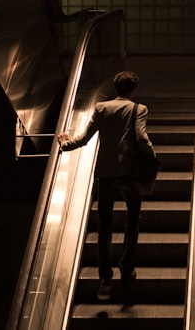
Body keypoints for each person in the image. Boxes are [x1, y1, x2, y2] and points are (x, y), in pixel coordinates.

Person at [58, 69, 157, 301]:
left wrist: (65, 143)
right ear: (133, 89)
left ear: (115, 88)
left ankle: (105, 278)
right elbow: (142, 139)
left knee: (104, 225)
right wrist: (152, 157)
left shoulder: (101, 108)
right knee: (132, 220)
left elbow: (83, 139)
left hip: (105, 175)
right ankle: (126, 267)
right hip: (129, 175)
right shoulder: (138, 109)